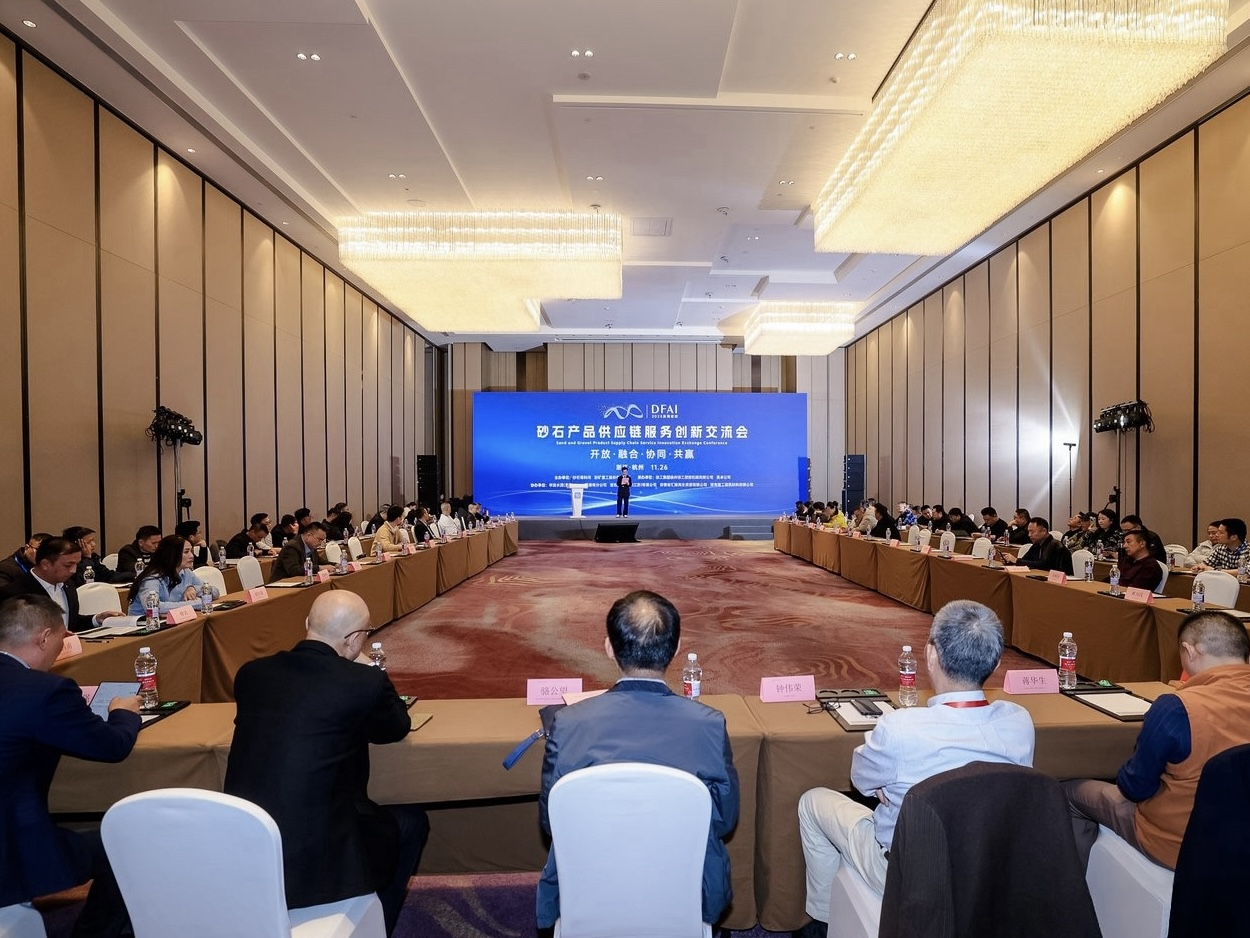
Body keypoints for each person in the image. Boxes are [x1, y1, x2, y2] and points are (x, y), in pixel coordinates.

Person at [795, 600, 1034, 937]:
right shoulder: (1019, 722)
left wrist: (884, 788)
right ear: (996, 663)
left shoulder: (900, 727)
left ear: (931, 654)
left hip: (908, 875)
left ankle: (822, 923)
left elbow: (861, 780)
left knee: (813, 802)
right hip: (985, 871)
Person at [224, 592, 428, 935]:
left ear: (307, 624)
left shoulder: (251, 674)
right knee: (412, 823)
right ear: (355, 639)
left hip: (245, 848)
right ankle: (374, 924)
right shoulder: (363, 681)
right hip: (316, 865)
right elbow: (397, 726)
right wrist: (367, 664)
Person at [537, 591, 738, 931]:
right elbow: (723, 819)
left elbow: (550, 820)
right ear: (676, 648)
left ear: (608, 648)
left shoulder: (568, 723)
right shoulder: (708, 724)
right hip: (684, 892)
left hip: (588, 889)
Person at [0, 594, 141, 938]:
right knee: (131, 847)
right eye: (62, 640)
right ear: (44, 638)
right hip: (10, 848)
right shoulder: (45, 691)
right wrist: (123, 713)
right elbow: (112, 746)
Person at [1063, 611, 1250, 870]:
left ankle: (1074, 890)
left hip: (1182, 845)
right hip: (1240, 840)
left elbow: (1135, 788)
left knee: (1068, 791)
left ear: (1189, 651)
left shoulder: (1178, 708)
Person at [0, 537, 123, 632]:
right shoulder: (15, 593)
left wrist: (96, 619)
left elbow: (70, 623)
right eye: (68, 565)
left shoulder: (68, 585)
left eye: (77, 564)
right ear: (45, 564)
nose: (74, 570)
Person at [127, 536, 219, 615]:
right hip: (143, 625)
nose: (191, 556)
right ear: (172, 554)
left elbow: (215, 592)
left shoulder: (186, 572)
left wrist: (194, 588)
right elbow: (153, 607)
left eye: (191, 551)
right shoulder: (152, 578)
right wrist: (194, 604)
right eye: (186, 552)